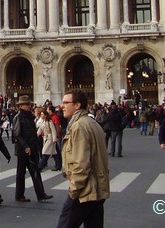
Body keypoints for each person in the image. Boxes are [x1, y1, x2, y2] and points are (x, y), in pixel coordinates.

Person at [57, 90, 110, 228]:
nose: (62, 106)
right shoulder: (93, 124)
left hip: (85, 190)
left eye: (66, 102)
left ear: (77, 105)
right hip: (97, 189)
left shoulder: (79, 126)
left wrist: (74, 190)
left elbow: (81, 164)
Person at [12, 95, 53, 203]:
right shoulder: (18, 117)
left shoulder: (29, 116)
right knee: (21, 173)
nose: (29, 106)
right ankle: (19, 195)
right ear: (21, 106)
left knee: (35, 171)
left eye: (29, 104)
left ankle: (41, 194)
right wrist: (26, 146)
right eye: (27, 104)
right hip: (23, 150)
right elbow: (17, 134)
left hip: (32, 148)